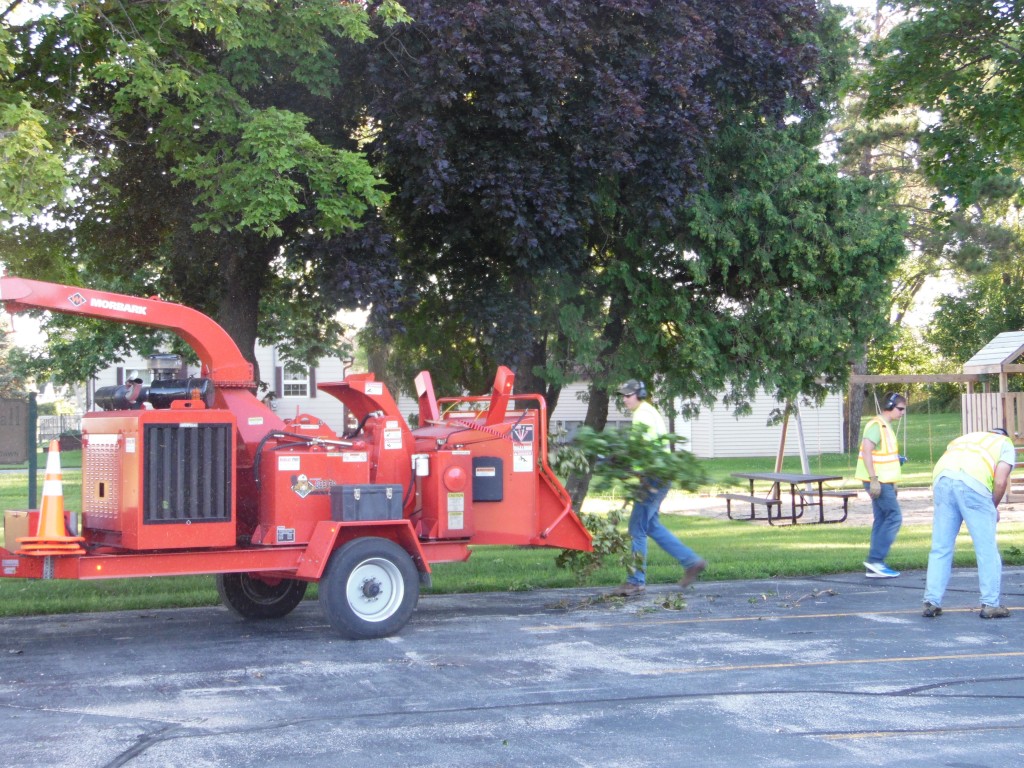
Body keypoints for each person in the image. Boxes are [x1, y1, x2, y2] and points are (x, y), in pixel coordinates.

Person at [608, 379, 707, 597]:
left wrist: (619, 459)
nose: (624, 399)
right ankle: (692, 562)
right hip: (659, 476)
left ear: (639, 394)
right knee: (651, 526)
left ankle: (635, 582)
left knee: (637, 528)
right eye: (623, 395)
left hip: (654, 478)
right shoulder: (649, 411)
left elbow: (641, 448)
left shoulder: (642, 414)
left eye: (628, 395)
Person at [922, 428, 1015, 619]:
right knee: (986, 548)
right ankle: (990, 604)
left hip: (943, 480)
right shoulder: (1005, 444)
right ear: (1003, 435)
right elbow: (1000, 482)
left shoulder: (964, 439)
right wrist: (992, 507)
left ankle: (932, 602)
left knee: (941, 546)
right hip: (973, 483)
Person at [855, 392, 907, 578]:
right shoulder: (877, 425)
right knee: (894, 517)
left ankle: (874, 565)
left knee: (882, 518)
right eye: (900, 409)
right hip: (877, 481)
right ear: (890, 406)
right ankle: (876, 560)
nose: (902, 413)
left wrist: (892, 482)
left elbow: (888, 458)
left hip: (884, 481)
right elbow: (867, 451)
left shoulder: (886, 426)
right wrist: (873, 479)